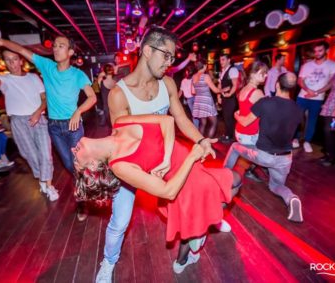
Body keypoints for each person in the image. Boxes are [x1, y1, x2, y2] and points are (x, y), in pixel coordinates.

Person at [97, 26, 230, 283]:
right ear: (147, 51)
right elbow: (125, 145)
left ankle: (207, 221)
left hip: (165, 153)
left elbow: (180, 118)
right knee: (120, 221)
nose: (170, 63)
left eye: (172, 58)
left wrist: (201, 139)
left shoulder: (167, 83)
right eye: (166, 56)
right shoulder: (118, 95)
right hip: (134, 164)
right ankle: (108, 262)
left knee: (201, 184)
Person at [73, 114, 241, 274]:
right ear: (93, 165)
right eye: (76, 159)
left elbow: (166, 120)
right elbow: (168, 191)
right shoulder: (119, 166)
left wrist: (167, 158)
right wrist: (191, 157)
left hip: (191, 164)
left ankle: (205, 222)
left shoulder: (120, 122)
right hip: (183, 178)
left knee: (195, 217)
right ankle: (194, 239)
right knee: (235, 180)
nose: (73, 150)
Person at [0, 35, 97, 218]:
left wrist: (78, 111)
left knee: (77, 165)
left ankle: (83, 200)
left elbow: (92, 97)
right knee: (69, 164)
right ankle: (89, 184)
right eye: (55, 45)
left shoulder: (77, 75)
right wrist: (0, 42)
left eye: (61, 46)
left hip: (73, 126)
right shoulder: (47, 66)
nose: (56, 49)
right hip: (54, 127)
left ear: (71, 52)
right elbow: (20, 50)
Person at [0, 48, 59, 201]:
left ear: (21, 61)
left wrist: (37, 112)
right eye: (8, 60)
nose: (12, 62)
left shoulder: (34, 77)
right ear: (5, 63)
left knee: (45, 155)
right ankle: (42, 178)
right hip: (18, 121)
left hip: (39, 118)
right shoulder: (5, 80)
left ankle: (49, 185)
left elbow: (44, 99)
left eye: (14, 58)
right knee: (30, 155)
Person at [224, 72, 304, 223]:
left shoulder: (265, 102)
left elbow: (246, 122)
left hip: (263, 155)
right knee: (276, 186)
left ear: (277, 85)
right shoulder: (298, 109)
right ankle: (291, 198)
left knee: (235, 146)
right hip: (285, 158)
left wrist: (236, 115)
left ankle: (222, 177)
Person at [293, 41, 335, 153]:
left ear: (327, 51)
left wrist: (316, 92)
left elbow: (332, 83)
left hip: (317, 99)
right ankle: (294, 139)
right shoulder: (307, 65)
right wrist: (309, 90)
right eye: (315, 51)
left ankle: (307, 141)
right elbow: (300, 80)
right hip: (303, 96)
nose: (317, 53)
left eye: (320, 50)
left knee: (312, 120)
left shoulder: (333, 65)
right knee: (295, 118)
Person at [235, 61, 268, 182]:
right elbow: (267, 113)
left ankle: (255, 166)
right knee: (261, 153)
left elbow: (242, 111)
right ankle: (249, 170)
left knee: (251, 153)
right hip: (250, 132)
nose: (266, 76)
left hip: (240, 131)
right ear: (253, 74)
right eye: (263, 73)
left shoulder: (243, 89)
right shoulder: (257, 93)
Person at [191, 59, 221, 137]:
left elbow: (193, 92)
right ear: (204, 66)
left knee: (203, 123)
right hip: (206, 101)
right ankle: (208, 142)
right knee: (214, 122)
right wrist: (223, 89)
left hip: (198, 101)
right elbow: (215, 90)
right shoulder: (205, 76)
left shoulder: (193, 77)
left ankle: (200, 143)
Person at [218, 53, 241, 143]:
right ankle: (227, 134)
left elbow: (235, 85)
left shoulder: (233, 70)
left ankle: (230, 137)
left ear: (228, 60)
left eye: (223, 59)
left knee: (229, 117)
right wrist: (219, 95)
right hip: (224, 97)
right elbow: (219, 84)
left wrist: (229, 94)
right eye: (220, 60)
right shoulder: (222, 71)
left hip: (230, 98)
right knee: (226, 117)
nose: (221, 62)